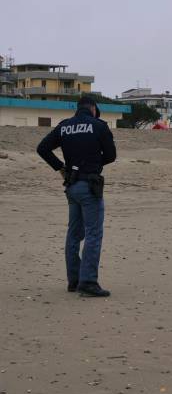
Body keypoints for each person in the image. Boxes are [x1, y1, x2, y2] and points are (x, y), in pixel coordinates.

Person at [37, 96, 116, 297]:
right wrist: (94, 161)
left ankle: (74, 280)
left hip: (71, 185)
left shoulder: (64, 126)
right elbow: (111, 155)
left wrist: (61, 167)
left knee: (74, 233)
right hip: (89, 185)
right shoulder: (99, 126)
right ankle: (88, 282)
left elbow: (42, 148)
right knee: (93, 233)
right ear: (93, 108)